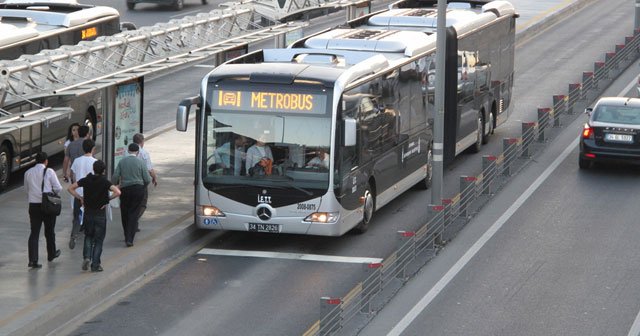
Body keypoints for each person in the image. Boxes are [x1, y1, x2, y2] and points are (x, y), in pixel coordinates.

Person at [68, 160, 120, 272]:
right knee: (99, 240)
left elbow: (70, 188)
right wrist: (107, 200)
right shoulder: (105, 182)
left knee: (88, 236)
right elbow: (117, 192)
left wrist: (80, 198)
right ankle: (95, 265)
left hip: (88, 214)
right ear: (103, 170)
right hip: (100, 215)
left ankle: (87, 257)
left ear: (93, 169)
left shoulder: (86, 180)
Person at [24, 152, 62, 269]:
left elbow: (26, 189)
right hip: (47, 205)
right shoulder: (49, 172)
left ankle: (33, 260)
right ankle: (51, 254)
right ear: (46, 161)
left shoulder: (28, 173)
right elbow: (58, 188)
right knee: (49, 231)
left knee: (34, 233)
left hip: (33, 205)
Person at [112, 143, 151, 247]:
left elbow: (115, 176)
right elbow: (147, 179)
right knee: (134, 213)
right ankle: (130, 239)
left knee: (124, 212)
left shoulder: (122, 162)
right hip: (138, 189)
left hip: (125, 189)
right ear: (137, 152)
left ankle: (126, 235)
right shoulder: (140, 162)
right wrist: (143, 186)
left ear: (128, 151)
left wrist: (115, 184)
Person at [68, 139, 97, 249]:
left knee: (77, 216)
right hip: (90, 195)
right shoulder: (95, 162)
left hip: (78, 194)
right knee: (90, 217)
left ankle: (74, 235)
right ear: (93, 149)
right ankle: (89, 238)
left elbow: (73, 176)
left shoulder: (76, 161)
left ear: (83, 148)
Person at [132, 133, 157, 229]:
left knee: (132, 204)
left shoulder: (127, 152)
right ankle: (133, 220)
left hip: (128, 183)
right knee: (142, 204)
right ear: (142, 142)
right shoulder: (144, 153)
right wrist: (154, 178)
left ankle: (134, 222)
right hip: (140, 183)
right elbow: (150, 169)